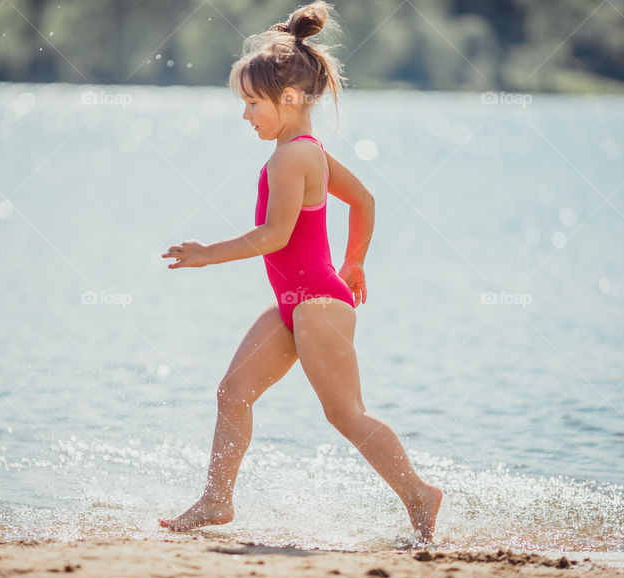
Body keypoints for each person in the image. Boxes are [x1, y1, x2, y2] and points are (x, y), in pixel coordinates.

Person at [159, 1, 442, 544]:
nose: (246, 116)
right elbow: (364, 201)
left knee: (347, 416)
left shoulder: (293, 157)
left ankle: (418, 493)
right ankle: (217, 500)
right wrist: (354, 260)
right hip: (301, 301)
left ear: (288, 99)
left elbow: (274, 236)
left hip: (319, 304)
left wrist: (205, 254)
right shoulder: (307, 149)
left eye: (251, 103)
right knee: (232, 393)